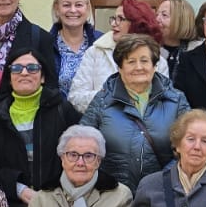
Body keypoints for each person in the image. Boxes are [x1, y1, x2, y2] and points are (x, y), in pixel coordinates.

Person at [0, 51, 81, 207]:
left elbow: (80, 156)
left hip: (61, 204)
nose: (24, 73)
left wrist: (58, 192)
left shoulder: (62, 109)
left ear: (43, 77)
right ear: (9, 77)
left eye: (32, 68)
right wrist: (19, 189)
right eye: (17, 68)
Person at [80, 33, 190, 192]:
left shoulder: (176, 100)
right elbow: (82, 145)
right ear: (120, 68)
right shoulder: (102, 100)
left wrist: (164, 179)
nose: (139, 67)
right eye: (131, 61)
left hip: (164, 192)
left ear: (154, 66)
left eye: (144, 61)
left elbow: (189, 146)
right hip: (113, 193)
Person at [68, 0, 167, 113]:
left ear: (136, 23)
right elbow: (76, 97)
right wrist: (112, 96)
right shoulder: (96, 52)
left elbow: (162, 104)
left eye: (120, 19)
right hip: (100, 122)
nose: (114, 24)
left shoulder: (158, 61)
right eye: (114, 18)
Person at [50, 0, 102, 95]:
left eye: (78, 5)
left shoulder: (101, 43)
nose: (73, 10)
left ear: (87, 8)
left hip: (95, 106)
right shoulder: (45, 43)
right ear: (57, 8)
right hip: (56, 106)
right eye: (66, 5)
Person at [157, 0, 198, 80]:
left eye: (164, 15)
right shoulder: (149, 48)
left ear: (181, 20)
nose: (157, 19)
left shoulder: (196, 51)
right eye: (157, 14)